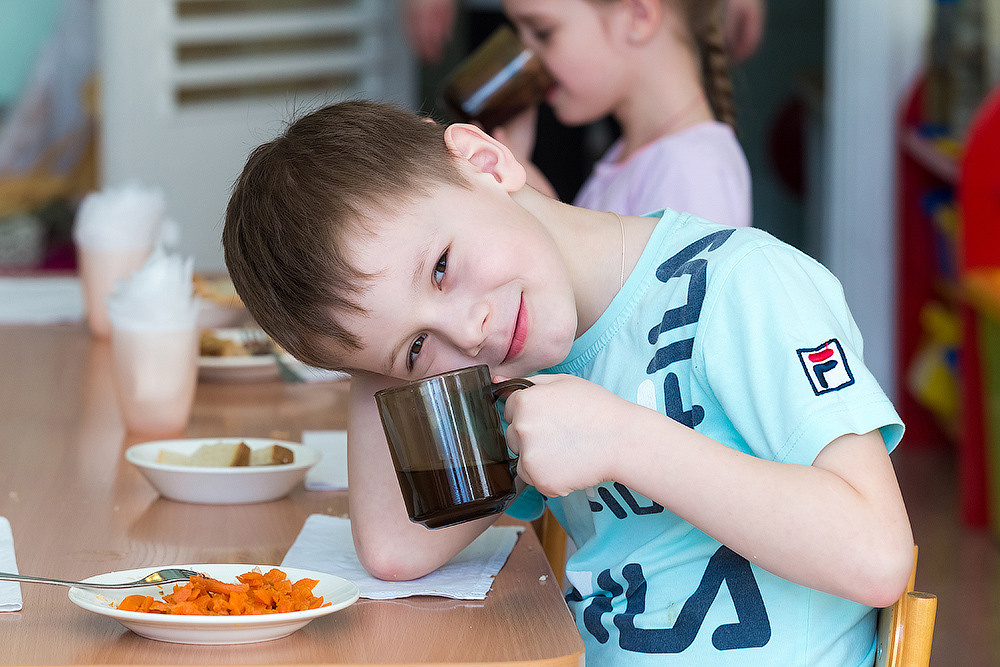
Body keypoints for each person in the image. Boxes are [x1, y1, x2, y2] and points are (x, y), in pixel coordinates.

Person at [222, 100, 914, 665]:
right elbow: (398, 548)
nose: (468, 329)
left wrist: (624, 440)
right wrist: (371, 344)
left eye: (440, 266)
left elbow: (877, 555)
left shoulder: (741, 283)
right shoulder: (517, 371)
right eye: (419, 347)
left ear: (487, 161)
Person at [493, 0, 755, 228]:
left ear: (638, 16)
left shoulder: (693, 170)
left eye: (543, 32)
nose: (526, 60)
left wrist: (541, 209)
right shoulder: (630, 156)